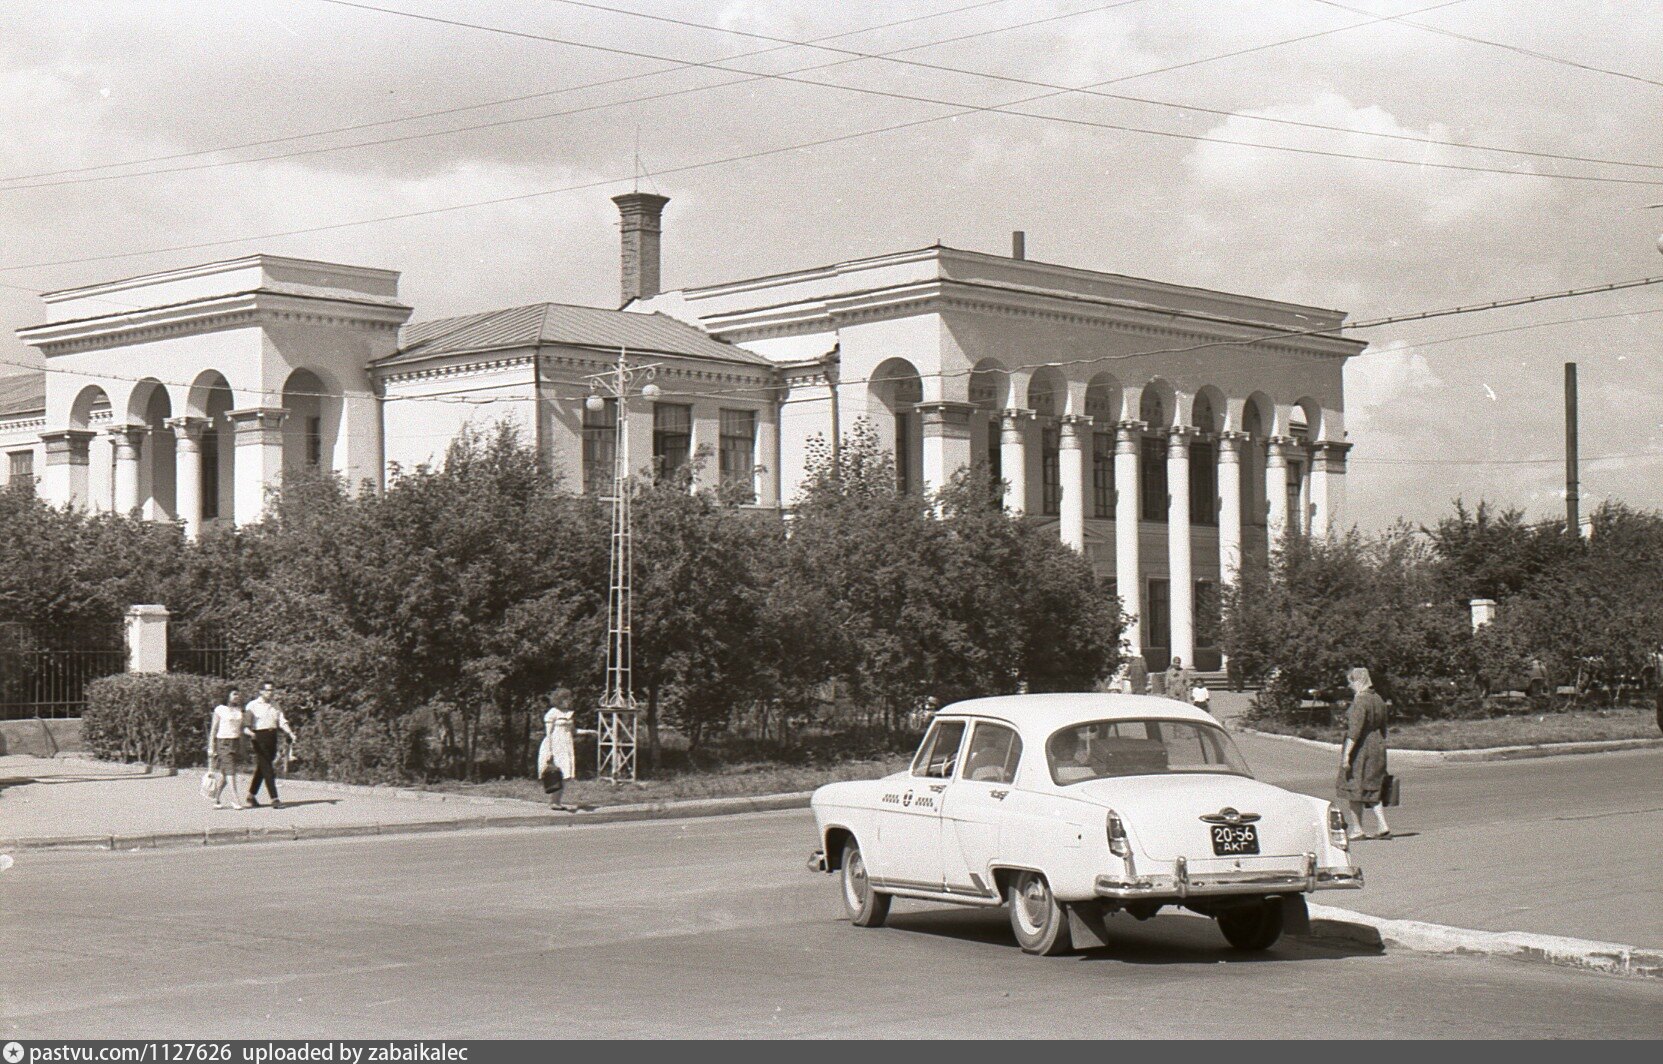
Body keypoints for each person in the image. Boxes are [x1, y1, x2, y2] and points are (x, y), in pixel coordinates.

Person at [1337, 667, 1391, 840]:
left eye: (1351, 682)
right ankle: (1382, 825)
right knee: (1372, 786)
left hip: (1361, 748)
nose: (1350, 685)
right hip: (1378, 745)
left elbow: (1355, 731)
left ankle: (1357, 829)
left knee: (1354, 787)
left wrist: (1346, 755)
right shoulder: (1378, 699)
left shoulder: (1360, 700)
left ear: (1358, 681)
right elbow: (1384, 728)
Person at [244, 681, 297, 808]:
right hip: (259, 737)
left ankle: (251, 796)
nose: (270, 693)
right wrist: (251, 734)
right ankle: (274, 798)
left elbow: (282, 721)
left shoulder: (275, 705)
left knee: (262, 768)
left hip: (272, 736)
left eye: (272, 690)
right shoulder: (252, 705)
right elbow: (246, 725)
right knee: (268, 768)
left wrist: (290, 733)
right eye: (267, 690)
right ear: (261, 691)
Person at [537, 697, 596, 810]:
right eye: (565, 699)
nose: (568, 702)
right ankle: (553, 801)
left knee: (565, 774)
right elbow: (549, 734)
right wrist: (549, 750)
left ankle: (556, 801)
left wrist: (588, 731)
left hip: (566, 745)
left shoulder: (569, 714)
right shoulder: (552, 713)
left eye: (569, 700)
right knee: (555, 772)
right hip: (555, 744)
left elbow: (573, 731)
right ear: (559, 700)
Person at [205, 688, 252, 809]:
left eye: (238, 695)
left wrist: (244, 745)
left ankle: (216, 798)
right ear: (228, 696)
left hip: (235, 742)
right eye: (234, 694)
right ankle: (235, 799)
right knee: (231, 771)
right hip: (223, 743)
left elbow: (241, 729)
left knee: (226, 775)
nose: (237, 697)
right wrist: (211, 746)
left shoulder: (240, 710)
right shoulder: (220, 709)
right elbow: (213, 729)